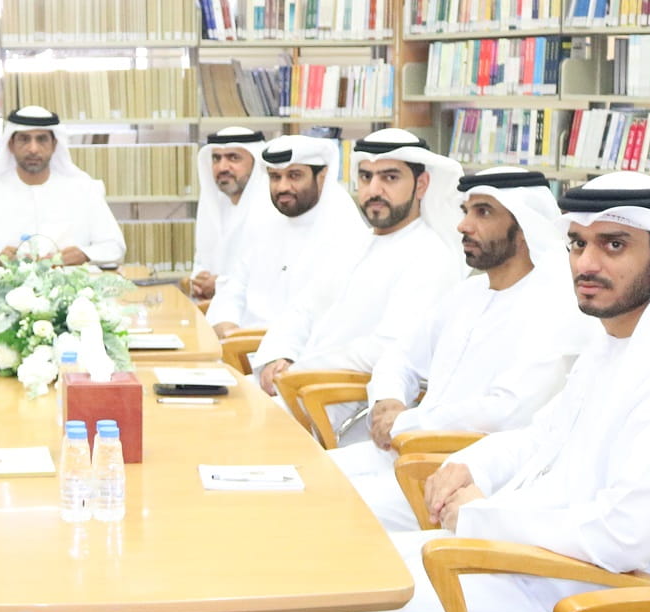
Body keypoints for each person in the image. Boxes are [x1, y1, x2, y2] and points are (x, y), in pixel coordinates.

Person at [324, 172, 650, 612]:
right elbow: (544, 435)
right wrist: (473, 466)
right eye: (578, 243)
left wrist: (479, 516)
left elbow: (623, 537)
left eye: (614, 245)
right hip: (518, 574)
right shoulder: (621, 339)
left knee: (325, 608)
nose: (586, 264)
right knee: (331, 567)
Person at [328, 167, 594, 530]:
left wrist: (406, 422)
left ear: (524, 225)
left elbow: (506, 412)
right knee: (300, 475)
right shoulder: (467, 294)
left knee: (320, 508)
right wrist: (389, 399)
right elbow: (400, 357)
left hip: (463, 481)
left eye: (483, 213)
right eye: (466, 211)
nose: (464, 226)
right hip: (404, 452)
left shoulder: (558, 306)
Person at [252, 128, 467, 444]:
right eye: (366, 178)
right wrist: (278, 356)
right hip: (298, 392)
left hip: (345, 420)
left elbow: (388, 347)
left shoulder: (431, 256)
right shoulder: (356, 243)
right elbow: (303, 309)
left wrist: (300, 370)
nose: (373, 190)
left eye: (390, 178)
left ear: (422, 185)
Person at [205, 134, 368, 337]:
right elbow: (235, 287)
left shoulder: (342, 226)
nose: (282, 187)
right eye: (275, 177)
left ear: (322, 176)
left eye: (294, 176)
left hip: (302, 360)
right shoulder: (264, 216)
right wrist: (226, 326)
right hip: (243, 348)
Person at [0, 106, 127, 267]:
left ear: (54, 145)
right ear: (11, 144)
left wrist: (85, 254)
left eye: (41, 140)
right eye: (24, 139)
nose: (33, 149)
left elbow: (115, 247)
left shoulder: (83, 190)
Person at [188, 126, 268, 301]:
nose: (222, 167)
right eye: (216, 159)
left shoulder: (269, 210)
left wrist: (219, 284)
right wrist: (198, 279)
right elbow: (202, 259)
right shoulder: (215, 206)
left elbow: (267, 277)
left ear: (255, 164)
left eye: (234, 158)